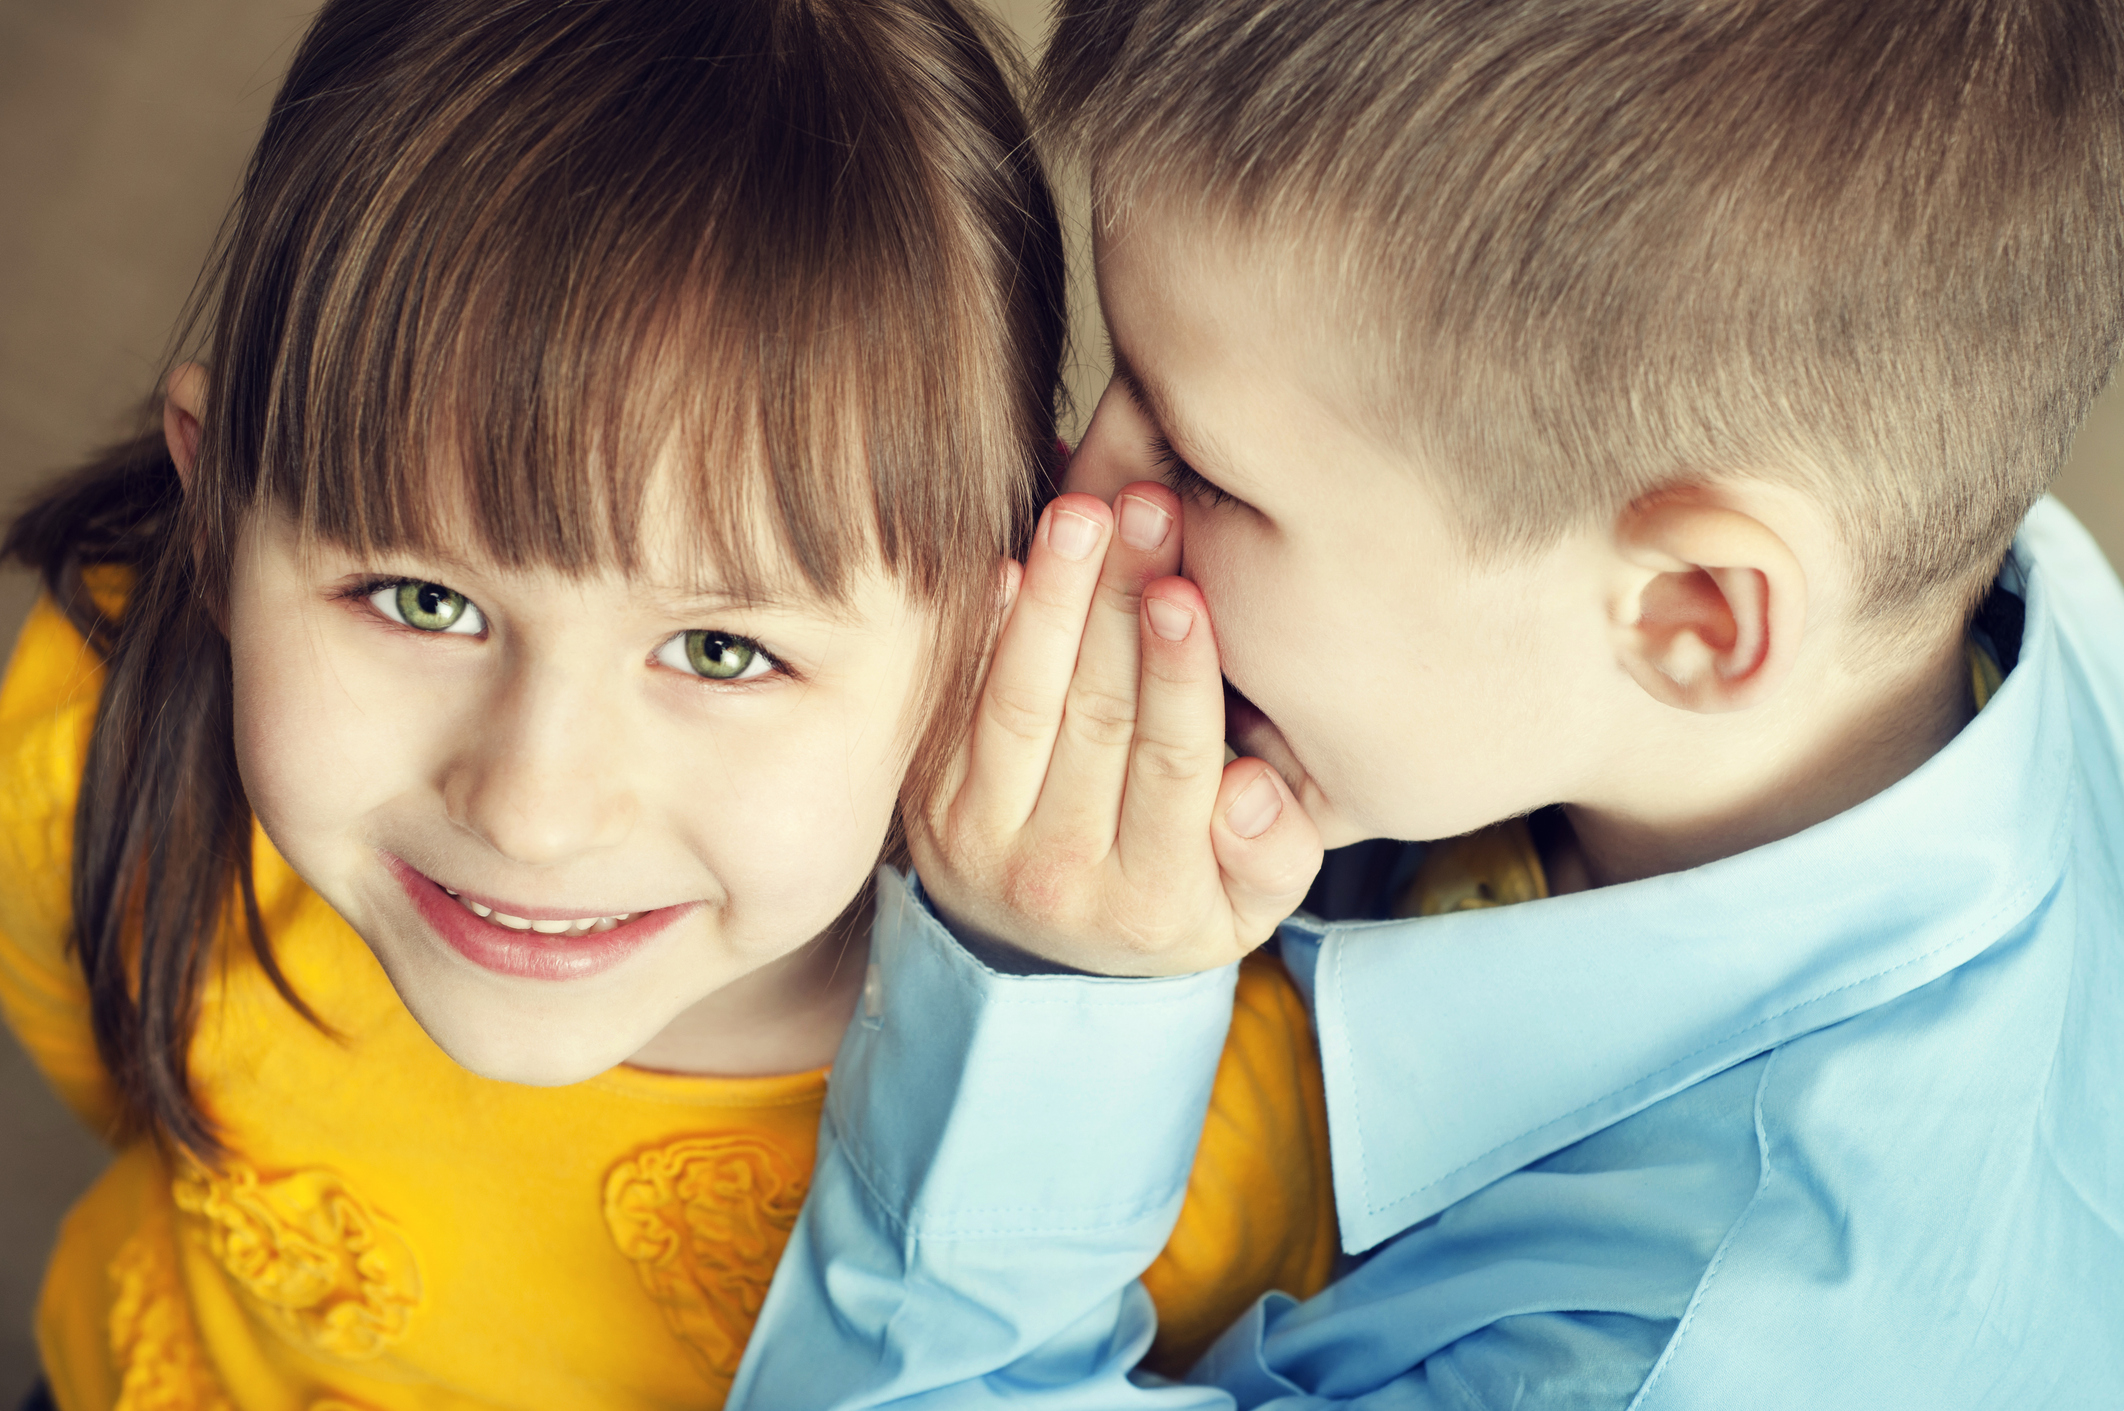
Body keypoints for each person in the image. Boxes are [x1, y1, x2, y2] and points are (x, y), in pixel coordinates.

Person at [727, 0, 2124, 1406]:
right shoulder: (1920, 563)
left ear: (1694, 611)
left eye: (1205, 470)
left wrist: (1044, 984)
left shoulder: (1658, 1363)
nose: (1079, 499)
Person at [0, 2, 1338, 1407]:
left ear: (987, 638)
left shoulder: (1154, 1161)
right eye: (423, 600)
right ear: (216, 519)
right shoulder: (86, 758)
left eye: (719, 651)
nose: (531, 812)